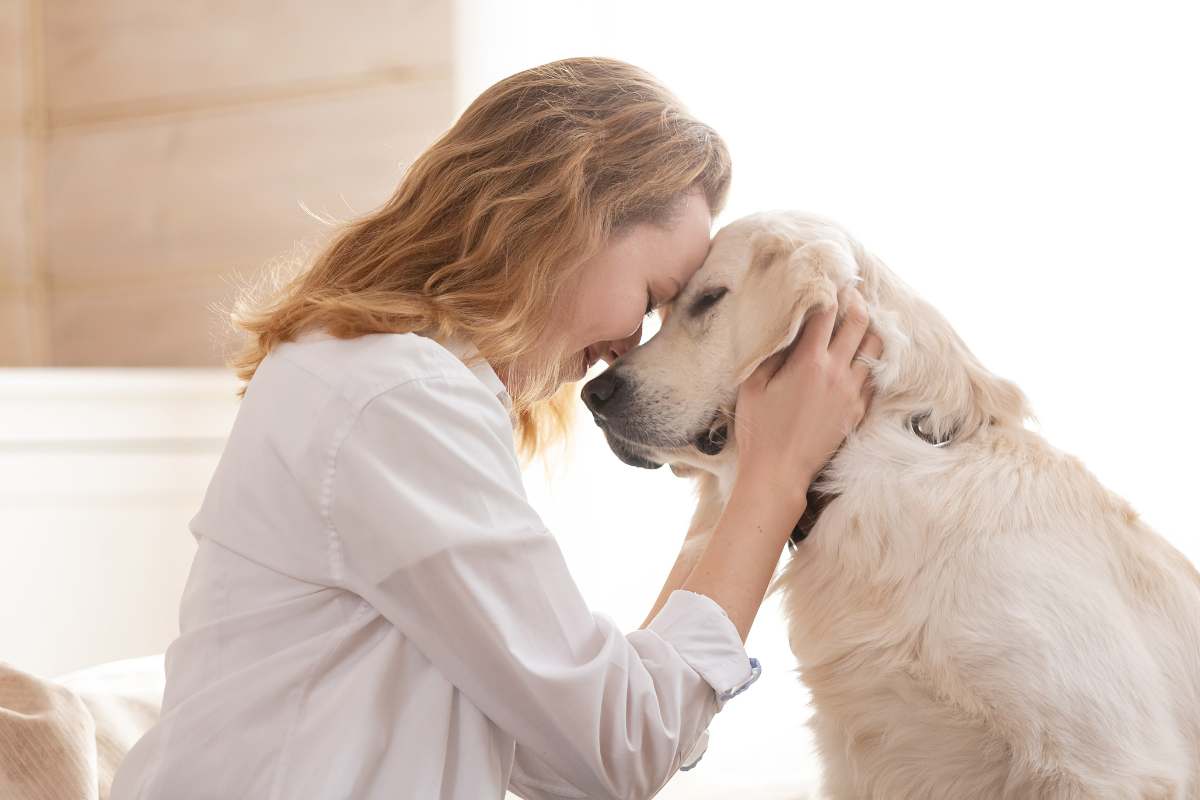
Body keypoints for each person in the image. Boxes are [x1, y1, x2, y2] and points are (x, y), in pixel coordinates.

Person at [110, 57, 882, 800]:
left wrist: (733, 491)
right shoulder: (394, 397)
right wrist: (772, 483)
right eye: (651, 297)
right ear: (565, 216)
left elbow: (561, 756)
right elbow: (617, 750)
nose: (629, 348)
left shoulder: (376, 379)